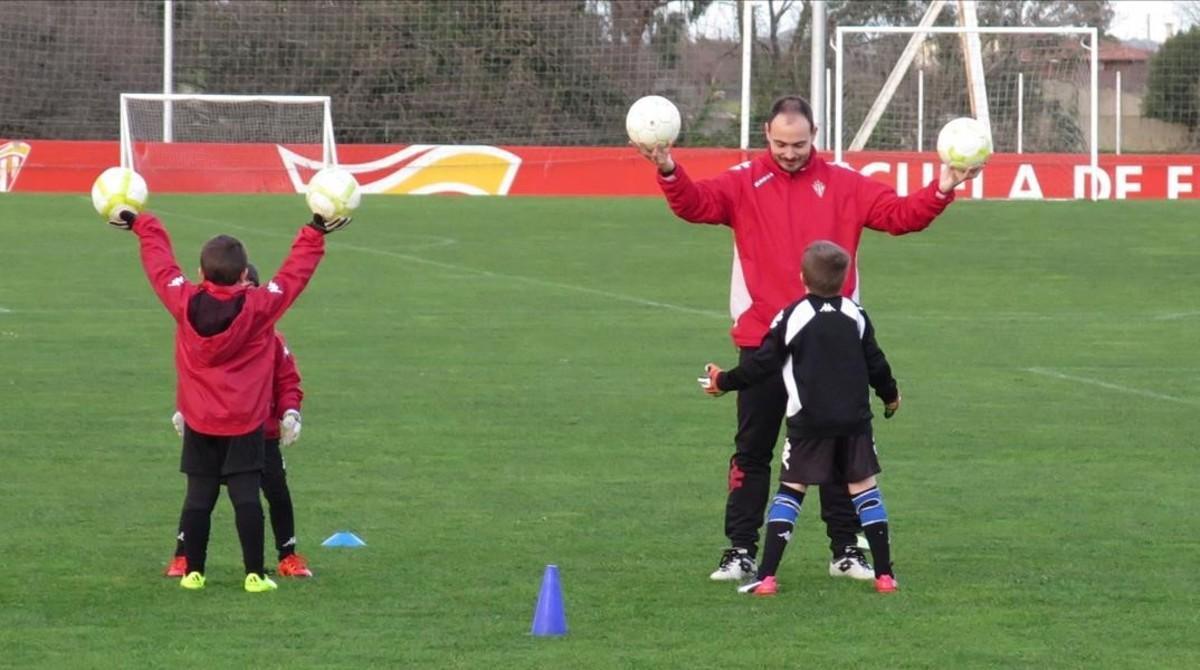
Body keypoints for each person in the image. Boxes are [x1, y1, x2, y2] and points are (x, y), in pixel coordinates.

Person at [636, 95, 981, 582]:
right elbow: (695, 206)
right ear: (766, 135)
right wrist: (669, 168)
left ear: (814, 135)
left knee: (839, 450)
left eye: (798, 143)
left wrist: (944, 186)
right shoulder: (742, 183)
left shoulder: (844, 184)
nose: (790, 152)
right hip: (762, 341)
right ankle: (739, 550)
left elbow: (901, 216)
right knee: (752, 451)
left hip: (828, 349)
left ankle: (845, 550)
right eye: (780, 143)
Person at [111, 206, 348, 592]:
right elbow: (292, 277)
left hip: (199, 422)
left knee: (198, 499)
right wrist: (315, 231)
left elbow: (161, 267)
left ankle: (193, 573)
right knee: (246, 499)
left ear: (201, 273)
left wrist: (142, 224)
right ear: (244, 276)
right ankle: (254, 574)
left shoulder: (183, 301)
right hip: (245, 424)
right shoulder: (259, 309)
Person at [699, 240, 901, 596]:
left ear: (802, 278)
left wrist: (724, 381)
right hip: (854, 422)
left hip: (809, 423)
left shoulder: (793, 316)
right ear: (844, 279)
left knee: (792, 490)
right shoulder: (856, 314)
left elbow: (763, 363)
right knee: (864, 489)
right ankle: (885, 576)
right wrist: (890, 395)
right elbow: (876, 363)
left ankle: (768, 576)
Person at [165, 264, 313, 580]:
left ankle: (288, 555)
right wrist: (184, 410)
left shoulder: (273, 341)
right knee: (199, 496)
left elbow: (288, 380)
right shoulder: (211, 331)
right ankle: (184, 557)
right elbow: (195, 378)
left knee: (275, 491)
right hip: (216, 427)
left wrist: (290, 412)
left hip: (261, 431)